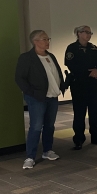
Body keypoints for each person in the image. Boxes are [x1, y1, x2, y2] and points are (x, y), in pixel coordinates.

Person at [15, 30, 66, 170]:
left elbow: (56, 74)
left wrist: (62, 86)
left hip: (52, 97)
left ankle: (47, 151)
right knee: (36, 127)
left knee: (50, 125)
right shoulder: (27, 58)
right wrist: (31, 93)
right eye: (44, 39)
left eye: (48, 38)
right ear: (35, 41)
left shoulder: (51, 56)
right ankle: (30, 156)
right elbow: (20, 78)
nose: (47, 41)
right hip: (37, 98)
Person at [65, 25, 97, 150]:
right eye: (86, 32)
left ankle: (96, 137)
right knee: (79, 113)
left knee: (95, 111)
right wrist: (89, 72)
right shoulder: (72, 48)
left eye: (90, 33)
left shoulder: (93, 48)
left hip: (94, 84)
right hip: (79, 84)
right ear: (78, 33)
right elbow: (71, 65)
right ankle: (78, 139)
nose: (89, 35)